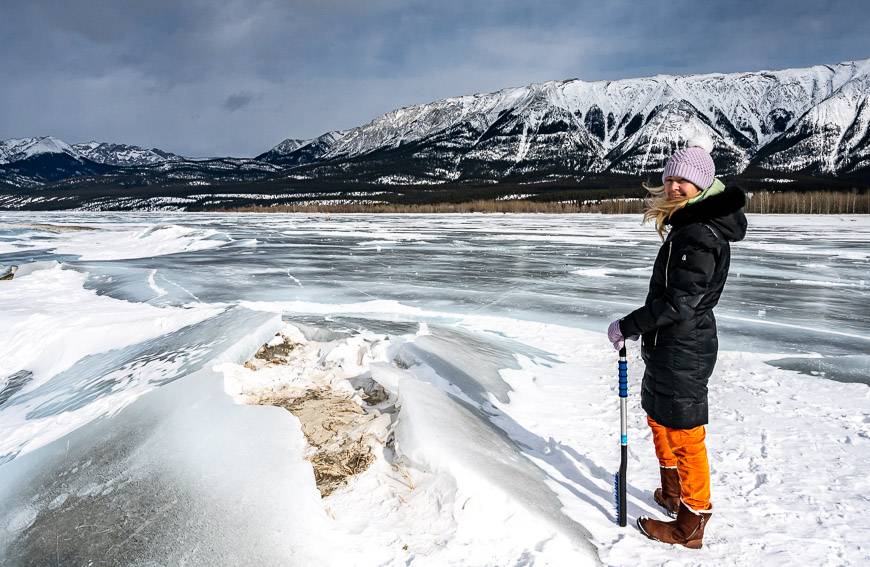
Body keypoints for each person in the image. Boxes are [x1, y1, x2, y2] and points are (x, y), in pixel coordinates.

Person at [607, 136, 747, 549]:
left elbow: (681, 301)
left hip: (685, 345)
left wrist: (629, 324)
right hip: (669, 344)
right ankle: (672, 491)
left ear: (703, 185)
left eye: (685, 181)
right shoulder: (689, 225)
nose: (674, 187)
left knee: (684, 431)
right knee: (658, 415)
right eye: (671, 180)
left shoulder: (700, 234)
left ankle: (692, 520)